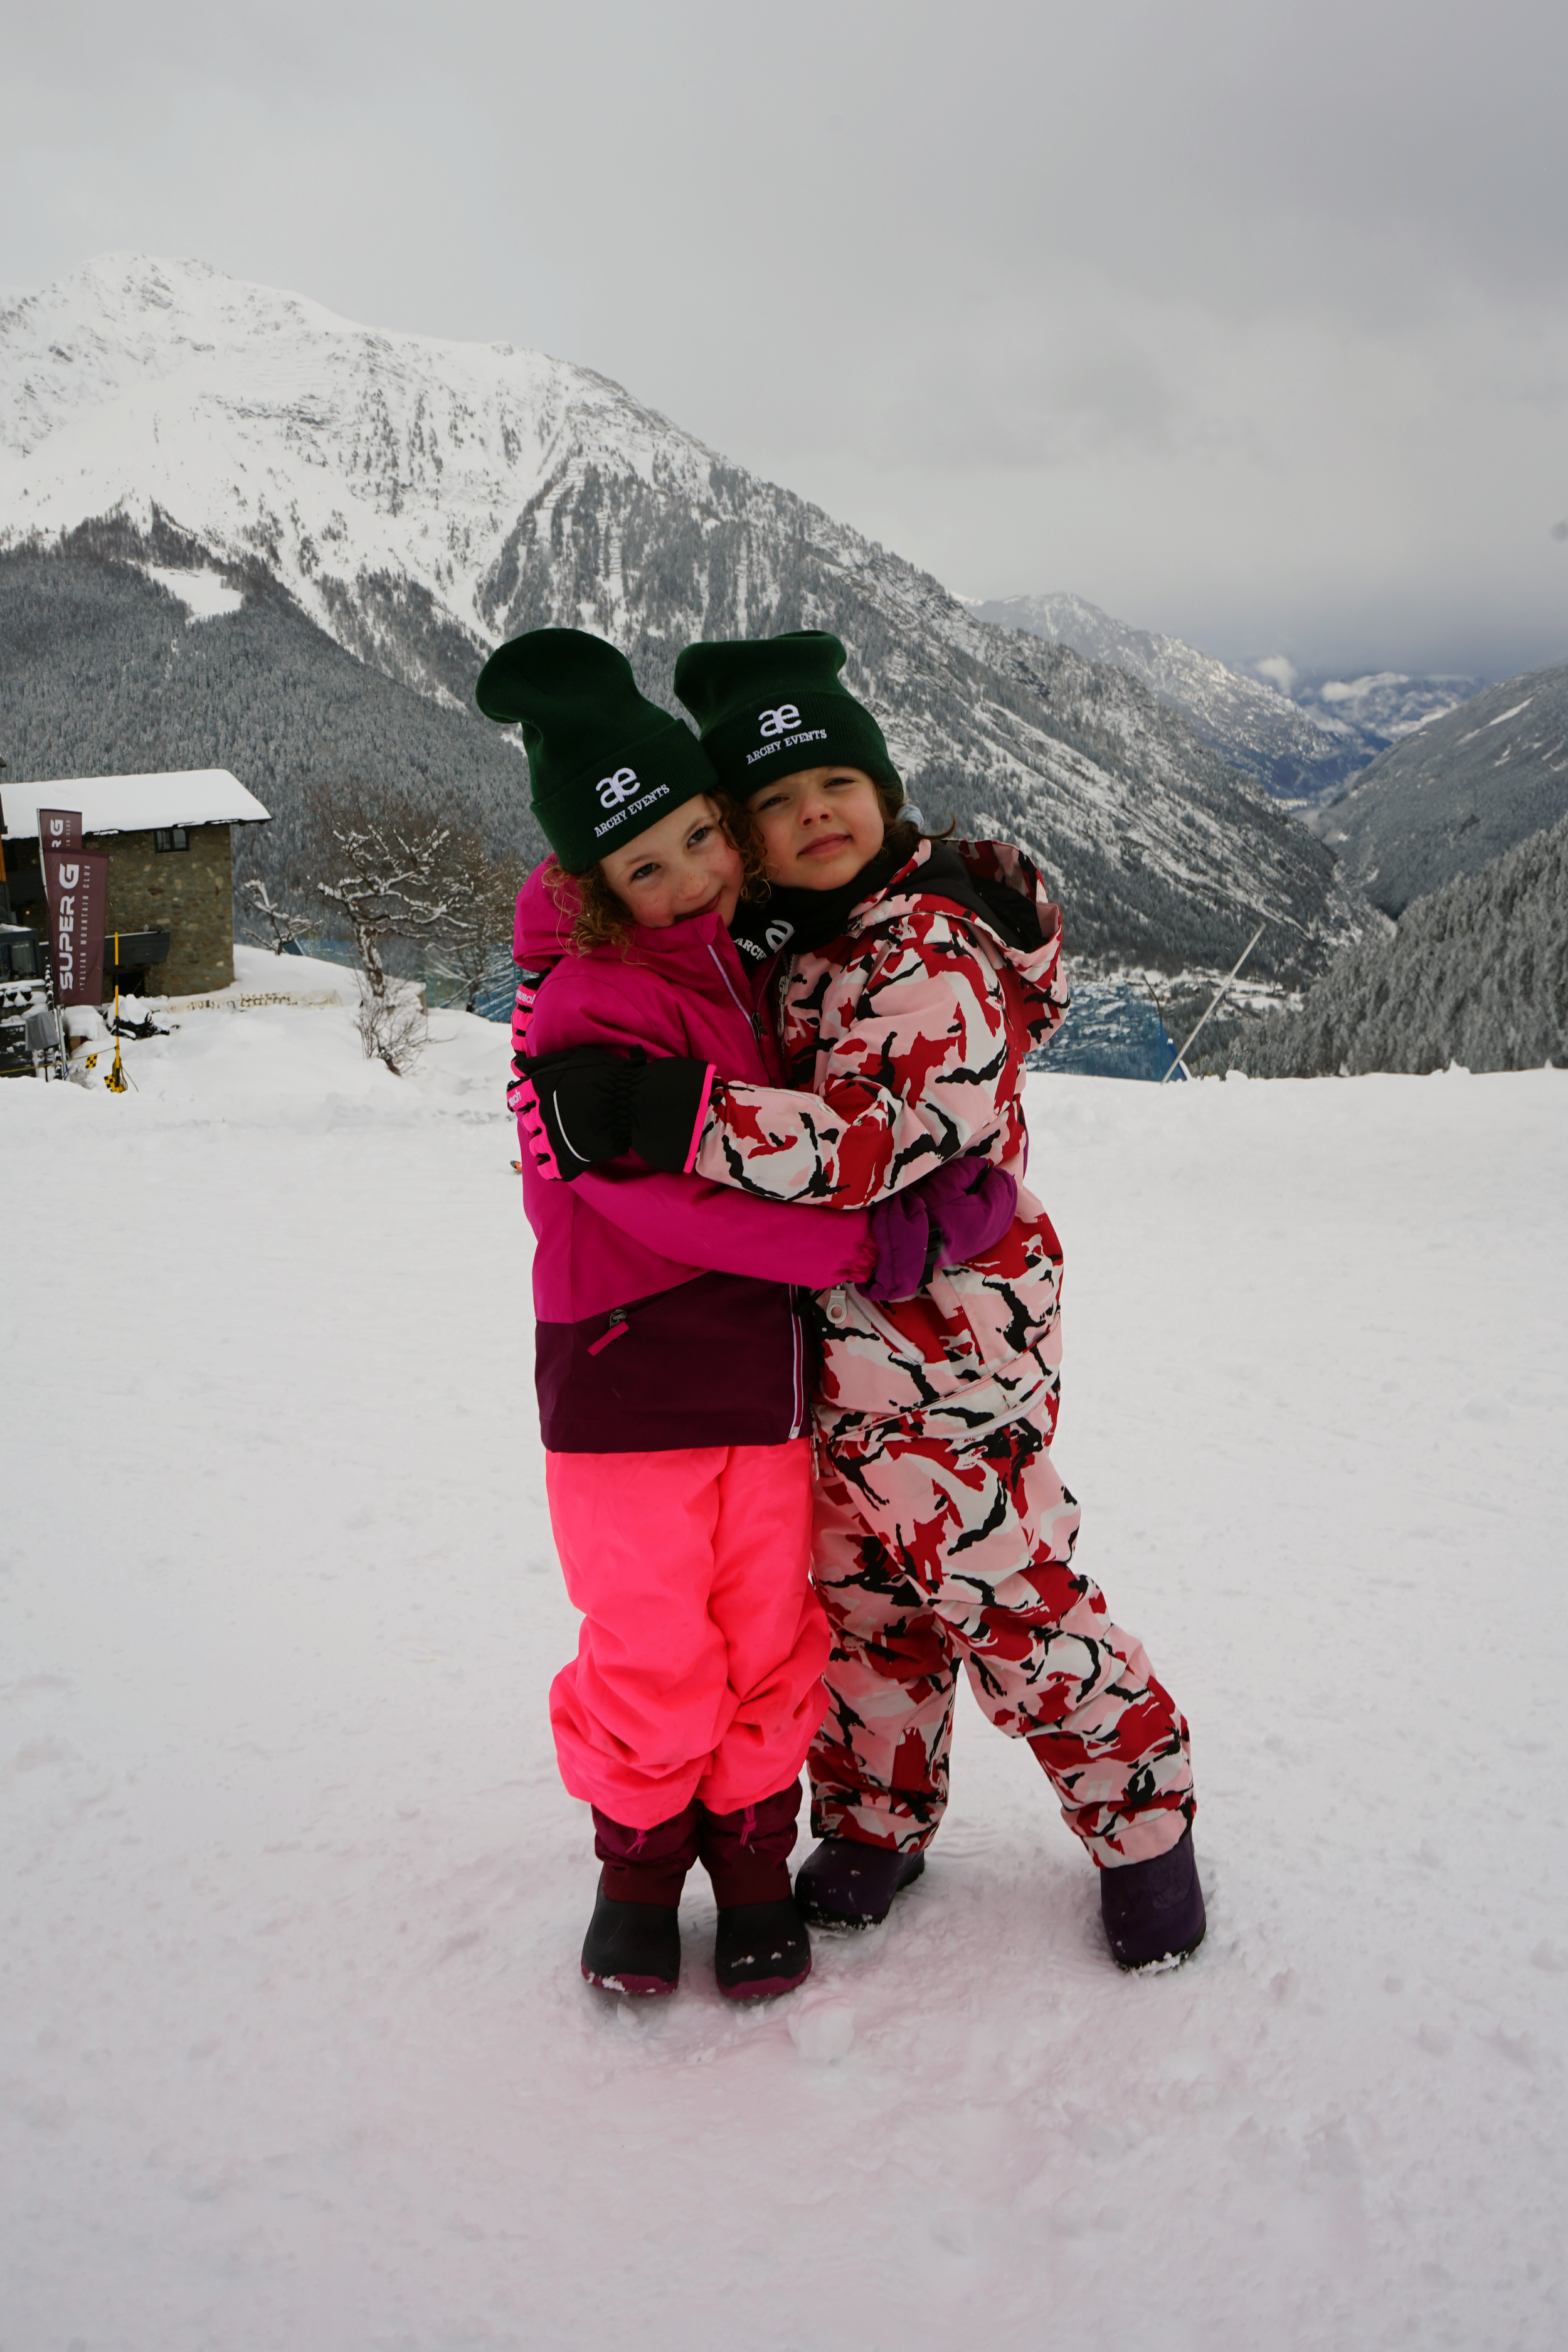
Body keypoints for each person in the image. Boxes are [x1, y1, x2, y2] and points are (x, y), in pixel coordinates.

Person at [519, 630, 1205, 1973]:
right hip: (818, 1356)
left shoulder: (929, 938)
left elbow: (873, 1146)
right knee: (856, 1602)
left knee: (1002, 1588)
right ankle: (878, 1815)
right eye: (771, 803)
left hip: (950, 1338)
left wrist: (679, 1118)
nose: (810, 815)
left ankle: (1144, 1822)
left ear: (881, 790)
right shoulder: (773, 941)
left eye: (833, 781)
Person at [475, 627, 1012, 2000]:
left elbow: (890, 1046)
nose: (686, 879)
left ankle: (755, 1859)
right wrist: (852, 1242)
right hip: (624, 1384)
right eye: (642, 869)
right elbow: (656, 1202)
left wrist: (1007, 914)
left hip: (759, 1387)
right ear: (592, 892)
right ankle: (641, 1869)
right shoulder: (591, 998)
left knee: (768, 1629)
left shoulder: (738, 958)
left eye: (703, 840)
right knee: (652, 1639)